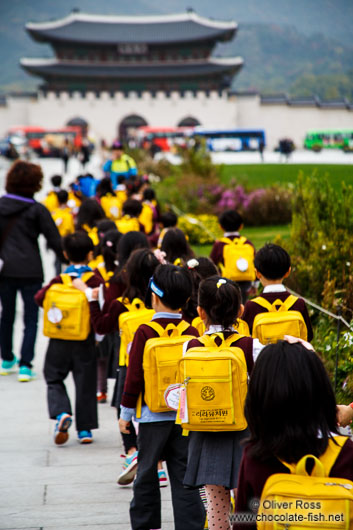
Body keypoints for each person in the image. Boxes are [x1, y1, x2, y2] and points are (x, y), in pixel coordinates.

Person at [118, 264, 205, 530]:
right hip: (183, 417)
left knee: (145, 473)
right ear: (188, 299)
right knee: (184, 475)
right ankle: (190, 524)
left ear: (153, 297)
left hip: (151, 416)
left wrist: (125, 413)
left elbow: (133, 376)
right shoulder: (191, 332)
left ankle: (146, 524)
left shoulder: (144, 332)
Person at [234, 341, 353, 530]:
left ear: (260, 399)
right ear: (321, 392)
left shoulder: (256, 458)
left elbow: (244, 523)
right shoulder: (347, 454)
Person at [183, 276, 264, 530]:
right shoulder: (251, 347)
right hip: (243, 431)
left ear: (200, 312)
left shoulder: (191, 346)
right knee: (246, 501)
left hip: (205, 433)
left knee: (216, 504)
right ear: (241, 311)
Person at [34, 232, 103, 445]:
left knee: (53, 377)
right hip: (85, 340)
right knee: (85, 383)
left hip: (59, 338)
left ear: (65, 254)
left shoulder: (60, 279)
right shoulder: (95, 279)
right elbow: (101, 307)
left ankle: (62, 412)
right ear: (90, 254)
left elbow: (39, 298)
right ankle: (85, 431)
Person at [0, 160, 64, 381]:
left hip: (5, 269)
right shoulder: (37, 209)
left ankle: (7, 358)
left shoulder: (0, 205)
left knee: (6, 315)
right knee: (31, 319)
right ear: (35, 183)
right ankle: (26, 365)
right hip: (31, 270)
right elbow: (56, 241)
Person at [242, 243, 313, 340]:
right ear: (288, 272)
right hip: (294, 354)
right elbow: (308, 336)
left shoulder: (252, 306)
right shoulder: (298, 304)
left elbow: (244, 338)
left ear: (257, 274)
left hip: (263, 355)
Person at [210, 209, 255, 304]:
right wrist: (255, 285)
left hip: (225, 284)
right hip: (246, 282)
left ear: (221, 227)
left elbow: (211, 264)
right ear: (241, 226)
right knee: (242, 305)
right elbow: (255, 263)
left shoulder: (219, 244)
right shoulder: (247, 243)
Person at [51, 189, 75, 275]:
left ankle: (57, 276)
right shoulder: (70, 213)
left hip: (57, 239)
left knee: (58, 260)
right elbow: (71, 228)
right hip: (68, 239)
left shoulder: (54, 213)